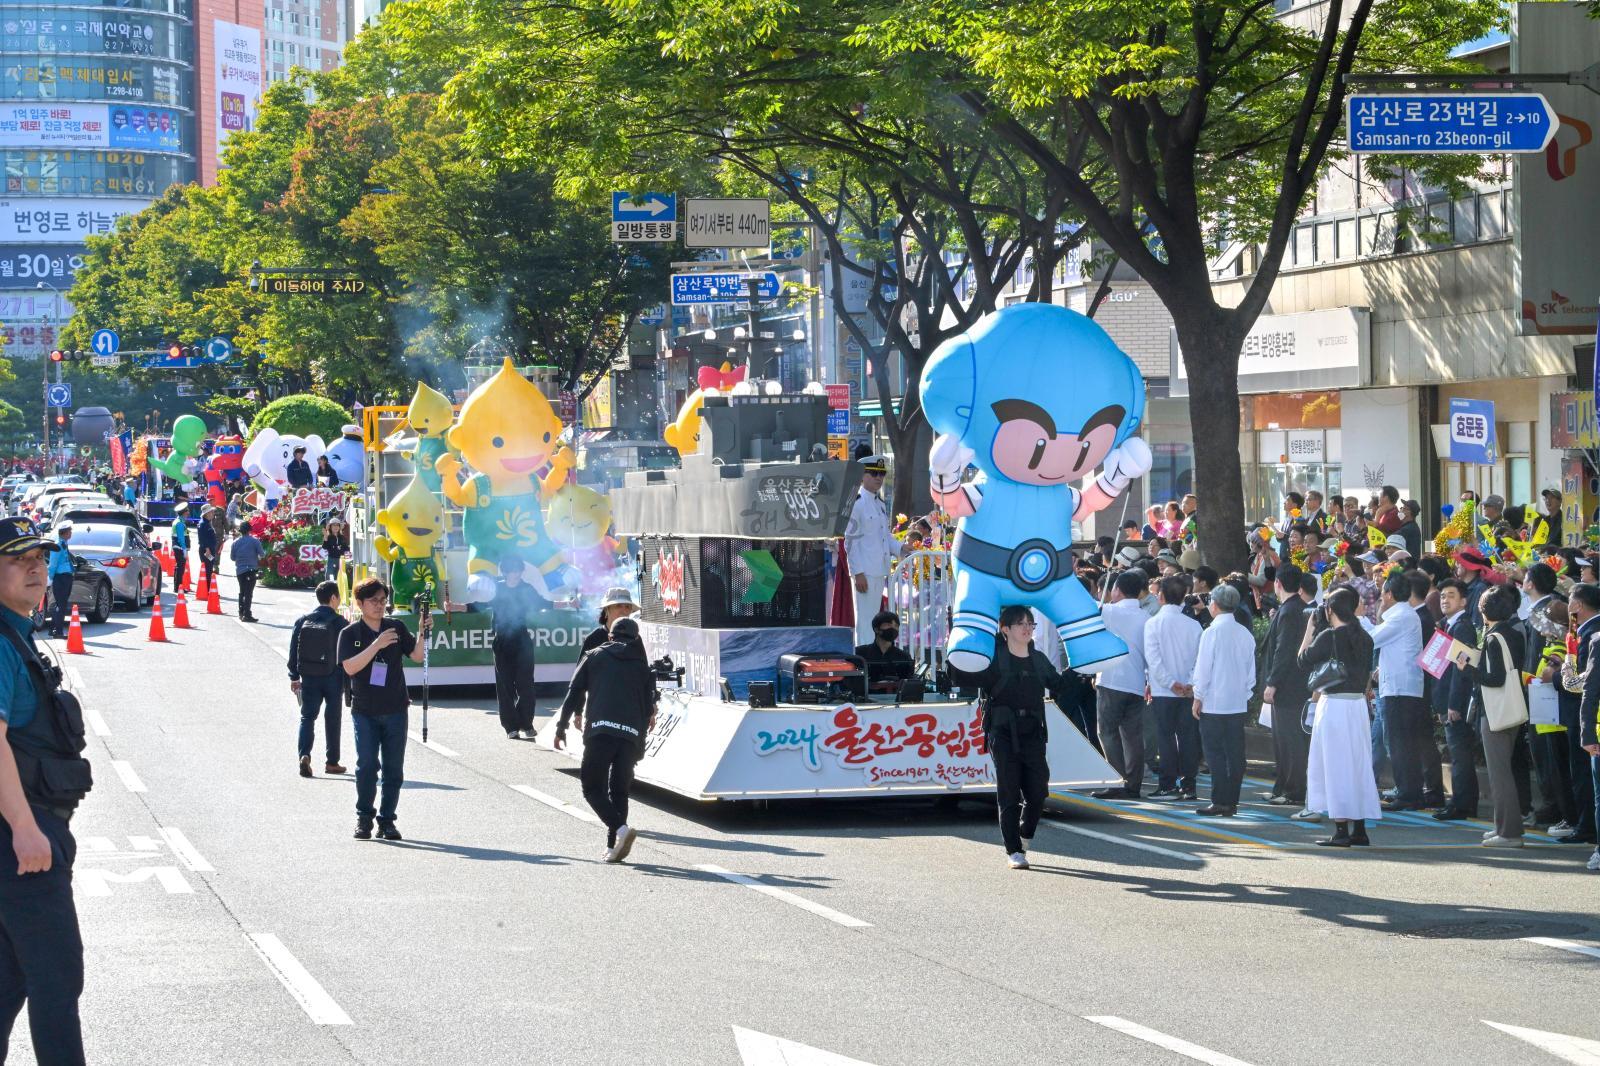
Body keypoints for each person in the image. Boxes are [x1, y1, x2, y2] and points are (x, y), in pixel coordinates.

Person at [0, 518, 91, 1064]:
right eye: (18, 560)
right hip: (20, 836)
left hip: (28, 830)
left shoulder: (17, 632)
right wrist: (25, 829)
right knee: (58, 980)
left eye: (39, 557)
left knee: (11, 981)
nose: (36, 568)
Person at [956, 606, 1073, 869]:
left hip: (1032, 731)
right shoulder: (993, 658)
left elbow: (1060, 686)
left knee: (1038, 791)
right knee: (1008, 791)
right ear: (1005, 629)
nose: (1027, 628)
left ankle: (1025, 831)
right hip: (1003, 732)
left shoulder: (1039, 659)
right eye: (1020, 623)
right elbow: (963, 674)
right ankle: (1014, 850)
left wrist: (1079, 667)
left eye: (1030, 623)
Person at [555, 615, 657, 863]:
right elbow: (649, 711)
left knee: (591, 788)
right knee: (619, 792)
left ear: (610, 635)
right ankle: (614, 847)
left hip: (600, 731)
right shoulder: (642, 666)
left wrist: (561, 727)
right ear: (636, 639)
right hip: (630, 735)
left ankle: (620, 831)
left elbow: (573, 693)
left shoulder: (594, 655)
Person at [338, 578, 430, 841]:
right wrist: (376, 644)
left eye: (382, 600)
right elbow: (350, 667)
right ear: (360, 603)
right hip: (364, 709)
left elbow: (417, 656)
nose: (379, 606)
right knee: (366, 765)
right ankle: (364, 817)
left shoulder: (396, 627)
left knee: (393, 768)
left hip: (396, 707)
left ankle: (387, 820)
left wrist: (423, 632)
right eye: (373, 601)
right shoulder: (350, 633)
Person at [1298, 586, 1381, 846]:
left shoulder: (1328, 637)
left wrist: (1310, 629)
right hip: (1357, 706)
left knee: (1334, 766)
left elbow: (1302, 660)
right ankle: (1360, 829)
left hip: (1333, 706)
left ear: (1330, 609)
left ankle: (1341, 830)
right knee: (1358, 765)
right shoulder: (1365, 637)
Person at [1466, 584, 1527, 847]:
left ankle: (1509, 832)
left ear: (1484, 611)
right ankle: (1503, 826)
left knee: (1499, 773)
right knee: (1504, 770)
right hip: (1512, 708)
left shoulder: (1493, 638)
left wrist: (1468, 668)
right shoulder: (1513, 632)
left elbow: (1494, 678)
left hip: (1494, 712)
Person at [1191, 584, 1256, 816]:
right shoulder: (1245, 634)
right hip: (1237, 703)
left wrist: (1198, 696)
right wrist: (1245, 694)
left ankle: (1219, 800)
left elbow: (1203, 669)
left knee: (1215, 754)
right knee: (1236, 753)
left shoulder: (1211, 632)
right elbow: (1251, 674)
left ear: (1215, 605)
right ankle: (1232, 801)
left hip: (1214, 701)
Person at [1370, 573, 1427, 811]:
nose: (1380, 597)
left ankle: (1408, 793)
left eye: (1382, 591)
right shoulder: (1403, 615)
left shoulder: (1400, 616)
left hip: (1400, 690)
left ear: (1390, 594)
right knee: (1403, 743)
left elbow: (1370, 639)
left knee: (1400, 743)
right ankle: (1409, 792)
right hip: (1401, 688)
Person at [1093, 570, 1151, 799]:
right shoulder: (1146, 617)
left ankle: (1116, 781)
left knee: (1107, 732)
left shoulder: (1108, 612)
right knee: (1133, 736)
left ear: (1117, 590)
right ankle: (1133, 784)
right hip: (1137, 681)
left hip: (1111, 679)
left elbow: (1091, 608)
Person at [1144, 576, 1202, 800]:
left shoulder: (1153, 623)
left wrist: (1169, 683)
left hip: (1163, 690)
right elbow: (1200, 658)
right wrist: (1189, 682)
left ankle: (1168, 784)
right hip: (1187, 691)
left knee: (1165, 737)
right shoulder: (1194, 624)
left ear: (1161, 596)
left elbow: (1153, 659)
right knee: (1188, 737)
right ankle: (1189, 785)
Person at [1261, 564, 1313, 810]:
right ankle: (1283, 787)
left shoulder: (1291, 611)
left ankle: (1293, 790)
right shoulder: (1295, 608)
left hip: (1289, 686)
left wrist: (1273, 682)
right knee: (1285, 740)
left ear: (1278, 584)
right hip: (1295, 685)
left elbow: (1284, 651)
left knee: (1289, 740)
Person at [1432, 578, 1480, 821]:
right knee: (1457, 754)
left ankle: (1462, 804)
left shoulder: (1462, 627)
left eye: (1451, 595)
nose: (1444, 599)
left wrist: (1453, 704)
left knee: (1460, 756)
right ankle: (1461, 803)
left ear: (1463, 601)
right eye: (1442, 595)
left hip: (1456, 703)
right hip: (1447, 699)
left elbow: (1461, 671)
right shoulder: (1446, 625)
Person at [288, 581, 346, 779]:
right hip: (333, 677)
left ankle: (304, 754)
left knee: (307, 718)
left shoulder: (303, 620)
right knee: (333, 719)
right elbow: (346, 652)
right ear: (333, 598)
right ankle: (332, 762)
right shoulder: (340, 623)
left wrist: (294, 676)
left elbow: (293, 652)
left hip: (309, 676)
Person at [843, 455, 898, 645]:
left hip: (878, 570)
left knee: (875, 621)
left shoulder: (880, 504)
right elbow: (850, 542)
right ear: (862, 475)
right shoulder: (857, 503)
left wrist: (902, 548)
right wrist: (857, 573)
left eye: (881, 474)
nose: (879, 478)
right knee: (865, 622)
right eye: (874, 473)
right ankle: (864, 663)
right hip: (865, 571)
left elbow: (885, 538)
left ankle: (872, 661)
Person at [488, 552, 541, 741]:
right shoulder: (496, 589)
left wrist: (566, 602)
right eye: (511, 571)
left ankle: (526, 723)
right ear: (505, 572)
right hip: (501, 640)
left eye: (518, 570)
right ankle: (511, 727)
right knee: (505, 686)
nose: (515, 574)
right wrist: (455, 606)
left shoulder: (527, 588)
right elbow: (478, 604)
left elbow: (543, 602)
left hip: (522, 639)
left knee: (526, 684)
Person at [856, 610, 914, 693]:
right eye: (888, 625)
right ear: (876, 629)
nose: (893, 628)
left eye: (896, 626)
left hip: (895, 701)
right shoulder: (859, 654)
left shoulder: (904, 656)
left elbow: (909, 684)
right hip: (864, 701)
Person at [582, 587, 639, 654]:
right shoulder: (593, 639)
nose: (624, 611)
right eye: (618, 606)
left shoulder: (635, 637)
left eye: (627, 607)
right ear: (606, 610)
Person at [230, 521, 263, 623]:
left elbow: (232, 557)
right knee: (248, 593)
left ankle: (241, 612)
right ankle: (247, 614)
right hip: (251, 569)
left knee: (242, 591)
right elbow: (262, 554)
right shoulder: (255, 541)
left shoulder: (235, 542)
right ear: (249, 530)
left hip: (240, 570)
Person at [46, 523, 74, 640]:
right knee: (61, 605)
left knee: (61, 604)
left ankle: (53, 629)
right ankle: (58, 631)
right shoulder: (57, 545)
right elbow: (53, 563)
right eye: (69, 531)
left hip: (66, 576)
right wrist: (50, 578)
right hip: (60, 577)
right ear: (64, 532)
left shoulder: (63, 543)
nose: (71, 533)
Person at [196, 505, 219, 590]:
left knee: (209, 568)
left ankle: (207, 588)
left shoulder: (207, 522)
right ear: (207, 513)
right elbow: (202, 538)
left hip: (209, 550)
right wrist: (207, 549)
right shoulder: (203, 524)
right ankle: (208, 589)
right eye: (212, 512)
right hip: (206, 550)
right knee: (208, 569)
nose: (213, 513)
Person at [170, 502, 190, 589]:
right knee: (180, 568)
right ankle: (178, 587)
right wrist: (184, 549)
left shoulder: (179, 521)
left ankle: (177, 586)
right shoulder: (179, 523)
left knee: (179, 567)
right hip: (180, 548)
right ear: (183, 512)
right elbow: (181, 538)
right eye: (187, 511)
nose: (188, 513)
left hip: (179, 547)